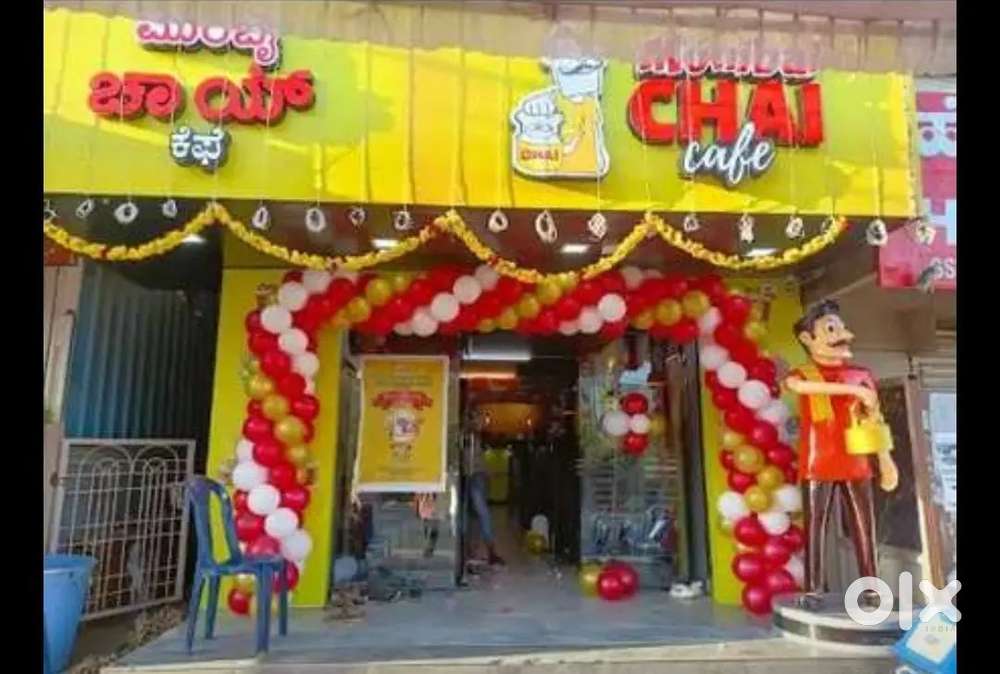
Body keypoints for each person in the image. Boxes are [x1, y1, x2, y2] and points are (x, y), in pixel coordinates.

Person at [784, 299, 898, 602]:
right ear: (807, 339)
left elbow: (875, 420)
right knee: (816, 527)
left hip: (856, 459)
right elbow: (799, 387)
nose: (843, 335)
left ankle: (871, 587)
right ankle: (814, 588)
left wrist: (885, 459)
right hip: (817, 461)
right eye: (831, 329)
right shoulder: (804, 373)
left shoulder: (861, 373)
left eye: (841, 327)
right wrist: (853, 390)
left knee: (864, 526)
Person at [467, 409, 505, 566]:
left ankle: (476, 551)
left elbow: (476, 460)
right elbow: (474, 461)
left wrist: (487, 472)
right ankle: (487, 551)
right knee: (481, 514)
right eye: (480, 419)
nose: (483, 423)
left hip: (475, 477)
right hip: (474, 477)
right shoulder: (469, 435)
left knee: (477, 515)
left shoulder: (474, 436)